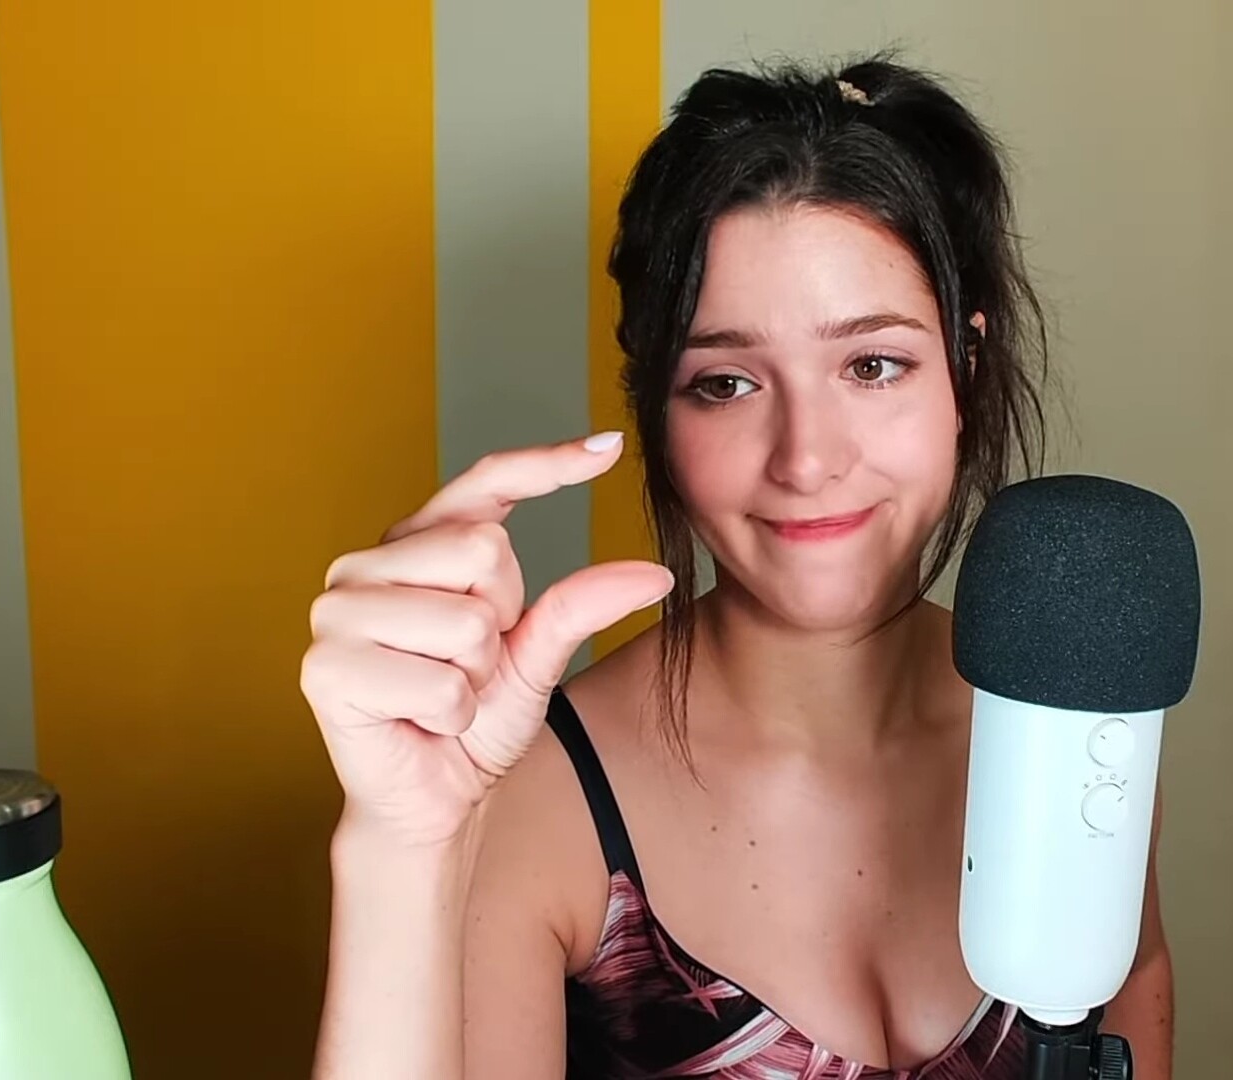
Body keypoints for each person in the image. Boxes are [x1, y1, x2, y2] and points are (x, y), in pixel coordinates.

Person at [303, 55, 1172, 1079]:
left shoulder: (1075, 727)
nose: (805, 458)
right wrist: (402, 850)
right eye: (724, 383)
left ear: (965, 370)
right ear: (657, 414)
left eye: (873, 365)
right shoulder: (529, 799)